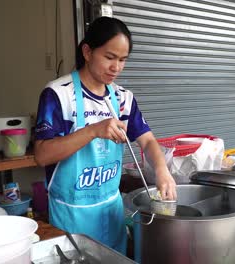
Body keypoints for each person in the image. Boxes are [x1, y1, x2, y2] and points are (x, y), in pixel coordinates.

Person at [34, 16, 177, 254]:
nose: (116, 68)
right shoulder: (58, 95)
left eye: (122, 60)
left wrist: (162, 171)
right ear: (88, 52)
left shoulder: (123, 98)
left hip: (112, 212)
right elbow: (42, 154)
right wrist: (93, 130)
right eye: (109, 57)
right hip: (72, 216)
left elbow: (148, 140)